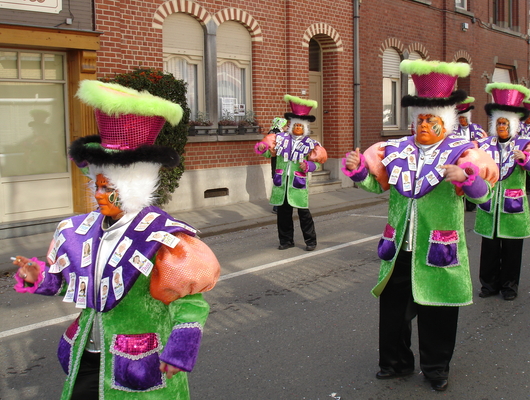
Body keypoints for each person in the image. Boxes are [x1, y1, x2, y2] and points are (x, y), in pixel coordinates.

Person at [12, 80, 221, 400]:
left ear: (132, 187)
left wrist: (179, 349)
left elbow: (190, 303)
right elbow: (74, 285)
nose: (98, 194)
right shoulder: (77, 230)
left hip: (138, 364)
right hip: (87, 355)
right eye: (96, 185)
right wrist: (37, 276)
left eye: (107, 187)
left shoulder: (164, 237)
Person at [342, 60, 498, 391]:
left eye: (433, 120)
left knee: (437, 309)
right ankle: (395, 362)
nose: (425, 124)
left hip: (437, 245)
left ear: (447, 122)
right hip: (400, 244)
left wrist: (467, 179)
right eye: (422, 118)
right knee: (394, 309)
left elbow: (485, 194)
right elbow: (376, 184)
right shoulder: (395, 149)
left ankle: (436, 368)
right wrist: (358, 171)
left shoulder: (463, 152)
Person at [474, 83, 530, 301]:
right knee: (489, 248)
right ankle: (488, 285)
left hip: (513, 207)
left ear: (514, 124)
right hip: (489, 206)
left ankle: (509, 287)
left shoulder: (526, 145)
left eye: (505, 123)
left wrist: (526, 160)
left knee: (511, 249)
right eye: (498, 123)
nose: (502, 127)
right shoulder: (484, 145)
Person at [255, 95, 327, 251]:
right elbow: (270, 153)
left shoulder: (310, 144)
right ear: (291, 126)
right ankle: (286, 240)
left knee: (304, 213)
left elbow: (318, 162)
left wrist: (307, 165)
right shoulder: (280, 139)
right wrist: (262, 149)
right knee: (283, 214)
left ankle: (310, 241)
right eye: (295, 126)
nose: (298, 129)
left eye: (300, 126)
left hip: (298, 184)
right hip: (282, 183)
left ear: (304, 128)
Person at [452, 96, 488, 211]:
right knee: (459, 180)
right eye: (460, 118)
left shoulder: (477, 129)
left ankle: (471, 203)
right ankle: (460, 200)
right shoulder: (453, 130)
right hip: (458, 158)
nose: (462, 120)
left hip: (472, 159)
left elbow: (482, 142)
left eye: (464, 118)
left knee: (470, 179)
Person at [268, 117, 288, 214]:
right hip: (278, 162)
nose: (287, 127)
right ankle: (277, 206)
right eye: (285, 125)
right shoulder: (276, 134)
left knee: (279, 183)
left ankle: (280, 205)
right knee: (279, 183)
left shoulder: (273, 132)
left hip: (278, 162)